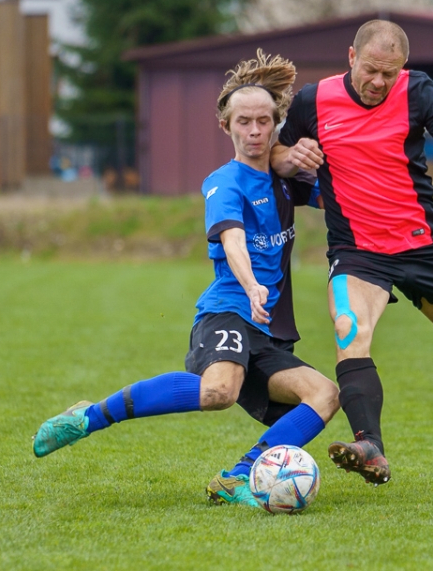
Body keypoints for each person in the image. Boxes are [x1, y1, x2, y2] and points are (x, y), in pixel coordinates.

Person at [32, 50, 339, 508]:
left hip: (269, 333)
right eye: (243, 122)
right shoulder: (223, 182)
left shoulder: (286, 181)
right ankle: (91, 417)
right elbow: (233, 239)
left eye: (263, 122)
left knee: (325, 394)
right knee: (219, 390)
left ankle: (237, 476)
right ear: (226, 126)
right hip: (229, 311)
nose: (254, 131)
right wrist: (253, 284)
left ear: (276, 124)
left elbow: (343, 192)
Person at [271, 20, 433, 486]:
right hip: (357, 251)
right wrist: (293, 155)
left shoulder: (418, 91)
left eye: (390, 73)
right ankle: (370, 446)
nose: (380, 82)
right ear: (352, 57)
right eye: (372, 71)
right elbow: (277, 156)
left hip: (422, 245)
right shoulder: (312, 101)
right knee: (348, 331)